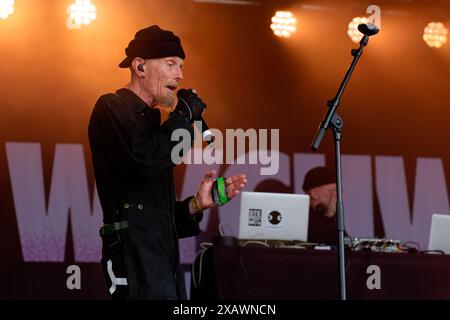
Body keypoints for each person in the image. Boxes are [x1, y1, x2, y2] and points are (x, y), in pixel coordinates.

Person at [88, 25, 247, 300]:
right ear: (139, 67)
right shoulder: (111, 107)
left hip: (161, 261)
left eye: (182, 65)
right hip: (133, 259)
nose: (180, 74)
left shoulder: (156, 126)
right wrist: (183, 117)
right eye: (171, 63)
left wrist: (196, 204)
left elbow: (154, 213)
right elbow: (145, 160)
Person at [302, 166, 340, 244]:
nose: (337, 194)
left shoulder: (335, 218)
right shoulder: (301, 219)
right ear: (314, 193)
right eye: (333, 190)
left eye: (338, 190)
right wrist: (330, 214)